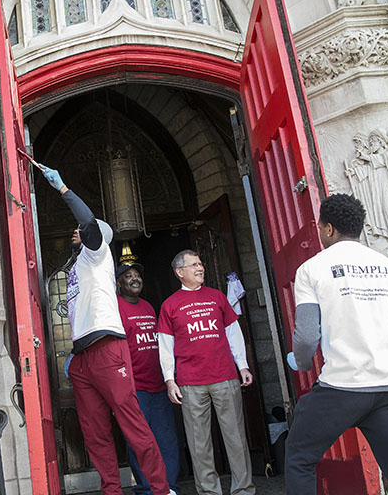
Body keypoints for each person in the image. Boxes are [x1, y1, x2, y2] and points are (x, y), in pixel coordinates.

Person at [38, 163, 172, 495]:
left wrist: (62, 188)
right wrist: (74, 353)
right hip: (83, 356)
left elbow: (86, 220)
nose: (76, 231)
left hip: (108, 350)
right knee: (95, 432)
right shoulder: (75, 267)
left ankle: (161, 488)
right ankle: (111, 490)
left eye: (82, 230)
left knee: (133, 424)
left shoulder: (97, 255)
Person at [284, 193, 388, 495]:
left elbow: (307, 336)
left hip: (344, 388)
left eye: (321, 227)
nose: (320, 232)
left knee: (299, 456)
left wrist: (302, 363)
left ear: (329, 229)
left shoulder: (313, 269)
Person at [158, 250, 256, 495]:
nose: (200, 268)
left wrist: (242, 365)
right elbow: (165, 347)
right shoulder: (170, 305)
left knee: (236, 438)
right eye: (193, 265)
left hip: (225, 376)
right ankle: (209, 492)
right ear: (180, 272)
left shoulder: (217, 297)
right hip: (191, 382)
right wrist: (170, 380)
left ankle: (243, 490)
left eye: (200, 263)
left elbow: (233, 333)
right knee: (199, 443)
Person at [116, 262, 180, 495]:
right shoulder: (116, 308)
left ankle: (169, 487)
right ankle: (147, 489)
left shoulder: (149, 307)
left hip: (160, 385)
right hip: (135, 389)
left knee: (166, 439)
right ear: (119, 283)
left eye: (137, 275)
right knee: (140, 442)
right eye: (128, 276)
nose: (135, 279)